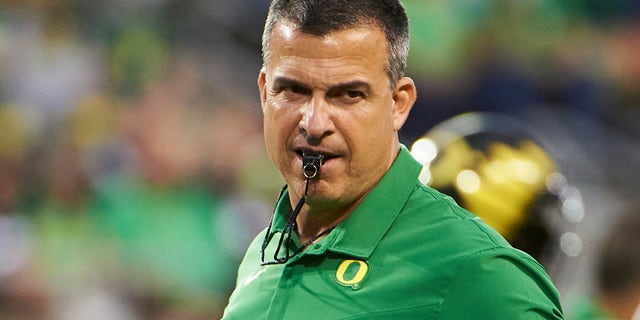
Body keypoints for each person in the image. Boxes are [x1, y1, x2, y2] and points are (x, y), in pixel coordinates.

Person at [222, 0, 565, 319]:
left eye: (348, 95)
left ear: (399, 103)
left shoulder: (476, 270)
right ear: (265, 92)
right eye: (293, 90)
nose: (314, 123)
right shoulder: (265, 251)